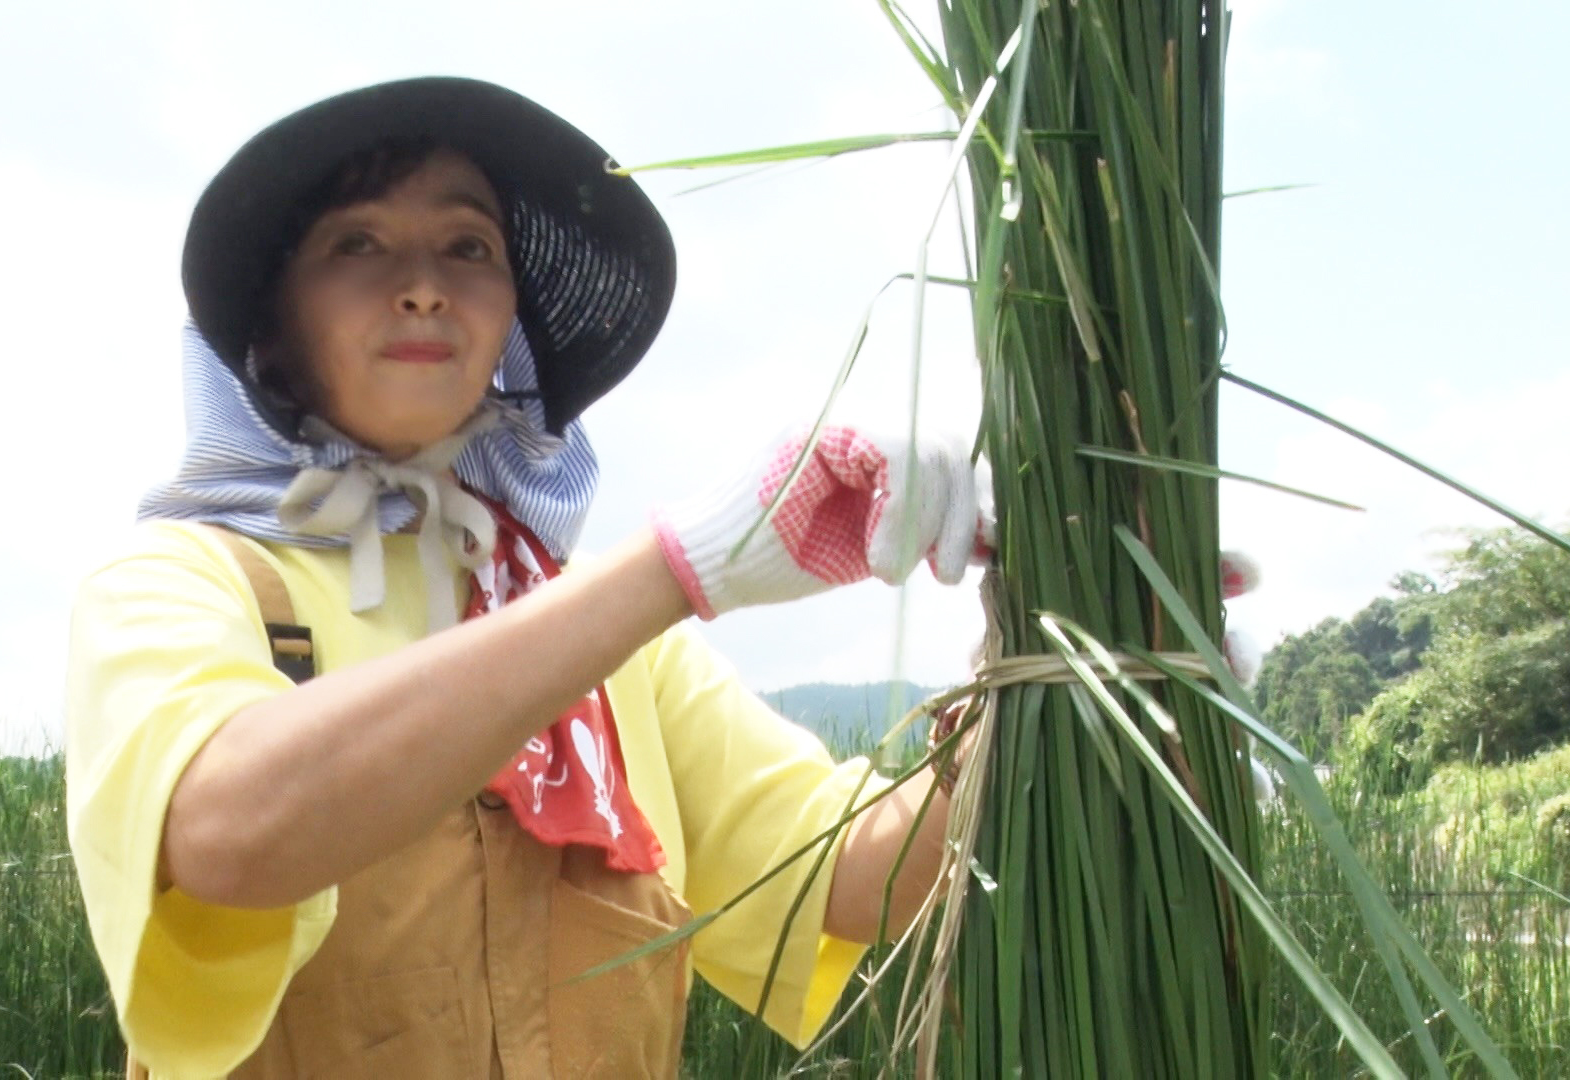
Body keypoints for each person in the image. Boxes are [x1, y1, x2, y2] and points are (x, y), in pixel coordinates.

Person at [64, 76, 990, 1079]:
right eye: (358, 244)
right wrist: (675, 569)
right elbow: (226, 832)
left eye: (468, 248)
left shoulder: (617, 649)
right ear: (273, 322)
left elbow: (860, 874)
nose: (424, 287)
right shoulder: (184, 581)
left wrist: (1016, 651)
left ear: (507, 315)